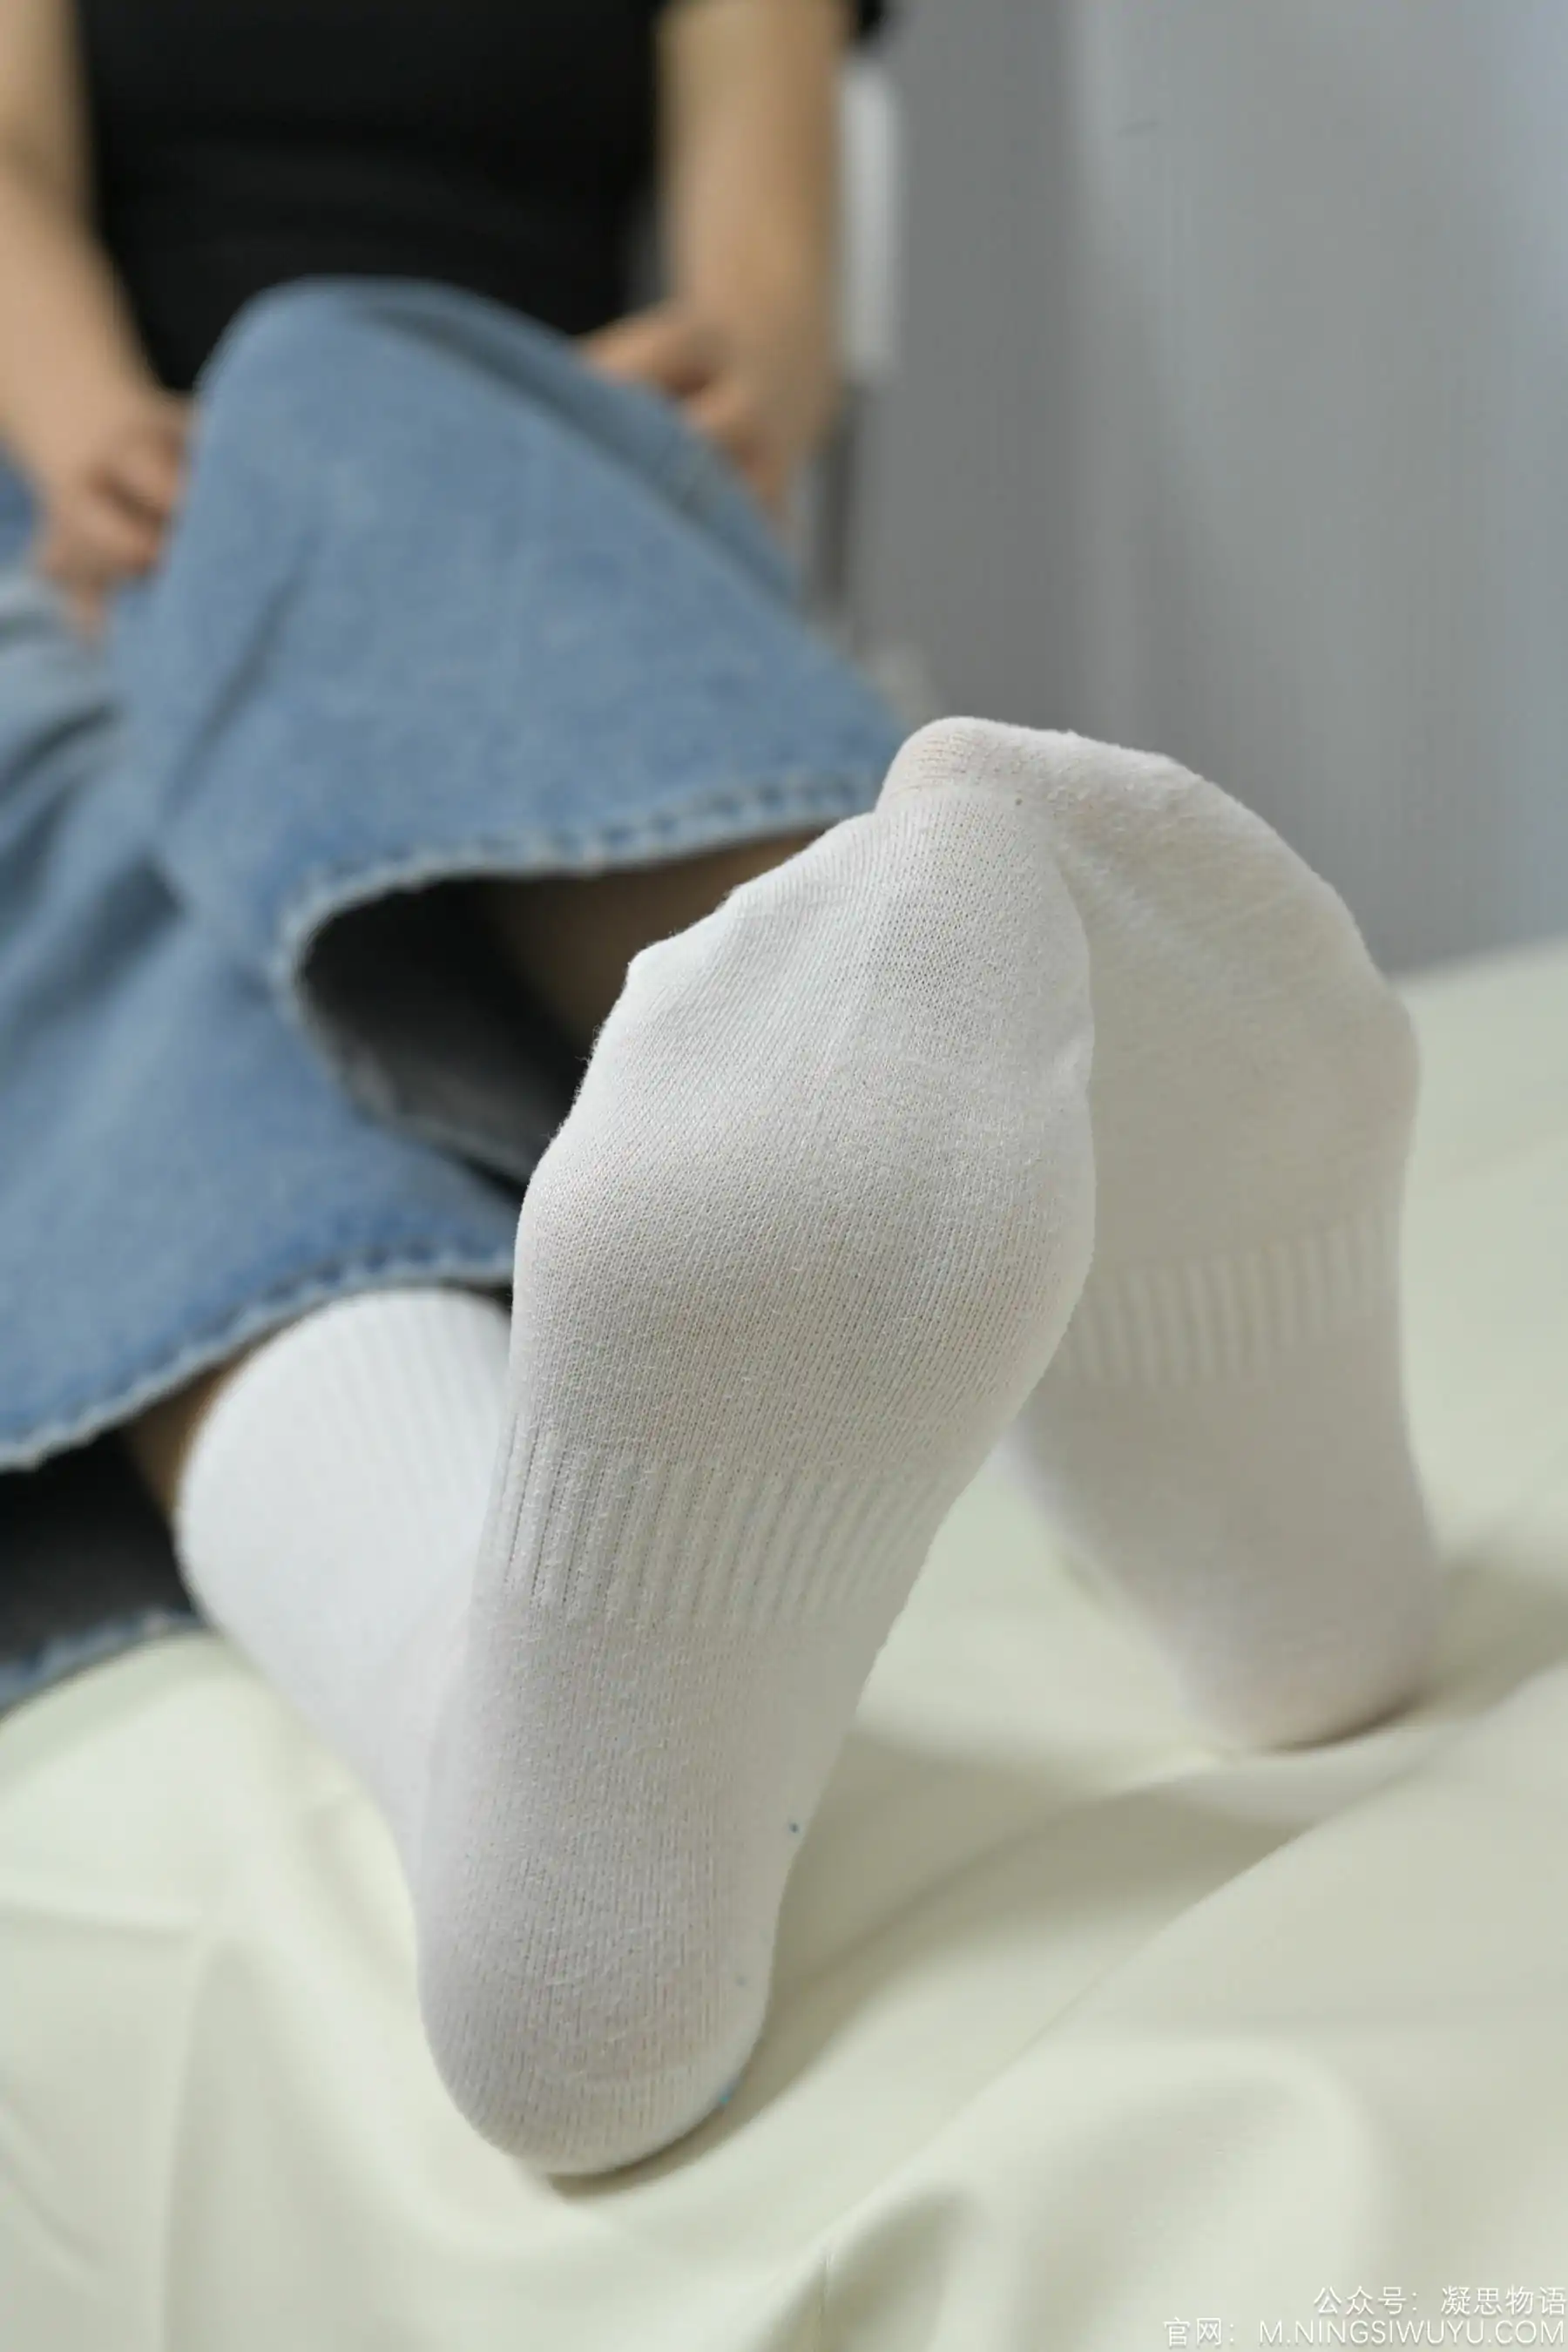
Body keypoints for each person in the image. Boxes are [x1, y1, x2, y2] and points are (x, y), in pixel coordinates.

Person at [0, 0, 1442, 2177]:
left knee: (334, 392)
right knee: (62, 825)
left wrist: (740, 369)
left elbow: (759, 280)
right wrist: (92, 429)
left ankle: (876, 1040)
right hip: (85, 528)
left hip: (493, 489)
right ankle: (966, 1117)